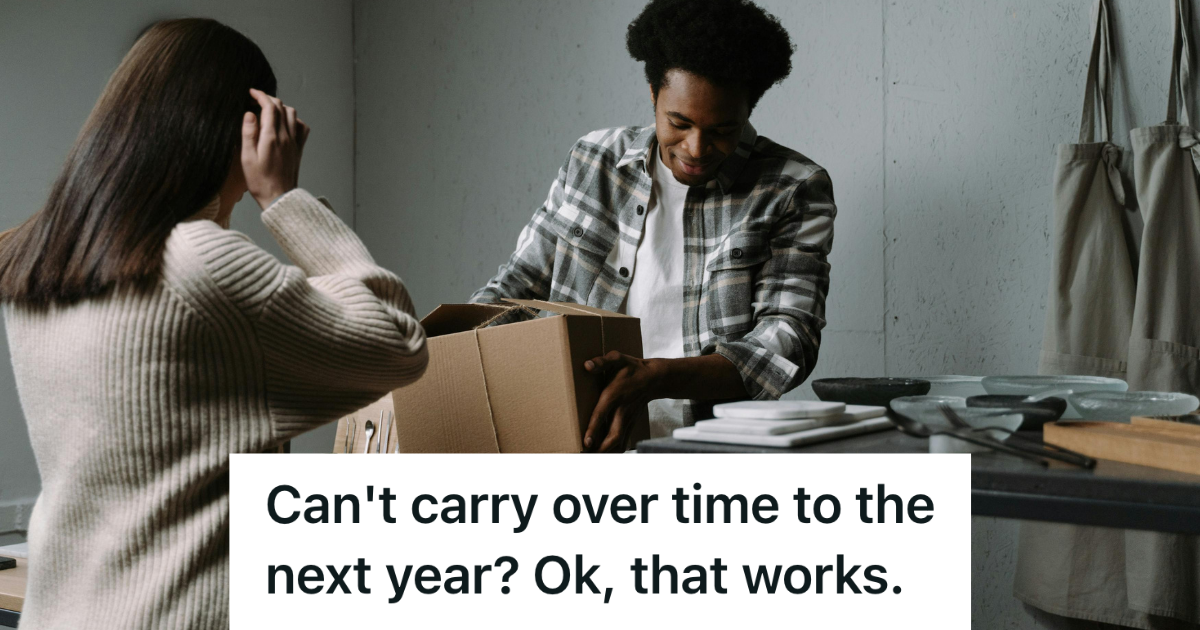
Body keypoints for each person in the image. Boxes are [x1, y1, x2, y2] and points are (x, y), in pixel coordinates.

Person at [0, 19, 427, 629]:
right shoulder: (201, 263)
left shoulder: (34, 259)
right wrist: (284, 198)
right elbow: (397, 343)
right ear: (245, 129)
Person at [471, 0, 835, 451]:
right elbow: (517, 287)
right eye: (678, 122)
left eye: (723, 130)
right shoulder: (594, 160)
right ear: (652, 93)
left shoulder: (793, 188)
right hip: (575, 441)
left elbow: (788, 340)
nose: (697, 148)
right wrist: (445, 353)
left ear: (748, 109)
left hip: (714, 454)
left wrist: (657, 376)